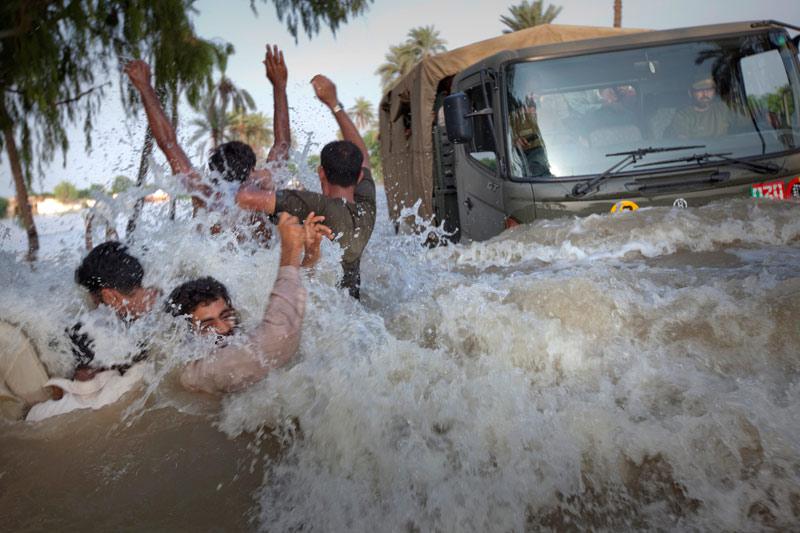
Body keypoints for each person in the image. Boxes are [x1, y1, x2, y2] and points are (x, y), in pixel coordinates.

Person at [236, 52, 376, 299]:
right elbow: (363, 156)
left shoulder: (315, 205)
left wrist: (259, 177)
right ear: (357, 178)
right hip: (349, 313)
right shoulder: (366, 208)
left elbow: (246, 198)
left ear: (320, 172)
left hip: (310, 311)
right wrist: (334, 103)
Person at [167, 213, 311, 394]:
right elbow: (279, 336)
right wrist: (289, 255)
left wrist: (310, 256)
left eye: (226, 316)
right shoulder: (200, 372)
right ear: (187, 333)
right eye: (207, 325)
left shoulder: (236, 341)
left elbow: (294, 310)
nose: (224, 328)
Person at [667, 77, 749, 139]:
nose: (705, 93)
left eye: (709, 89)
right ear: (691, 93)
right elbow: (684, 144)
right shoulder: (683, 116)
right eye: (700, 90)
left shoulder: (722, 108)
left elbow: (750, 120)